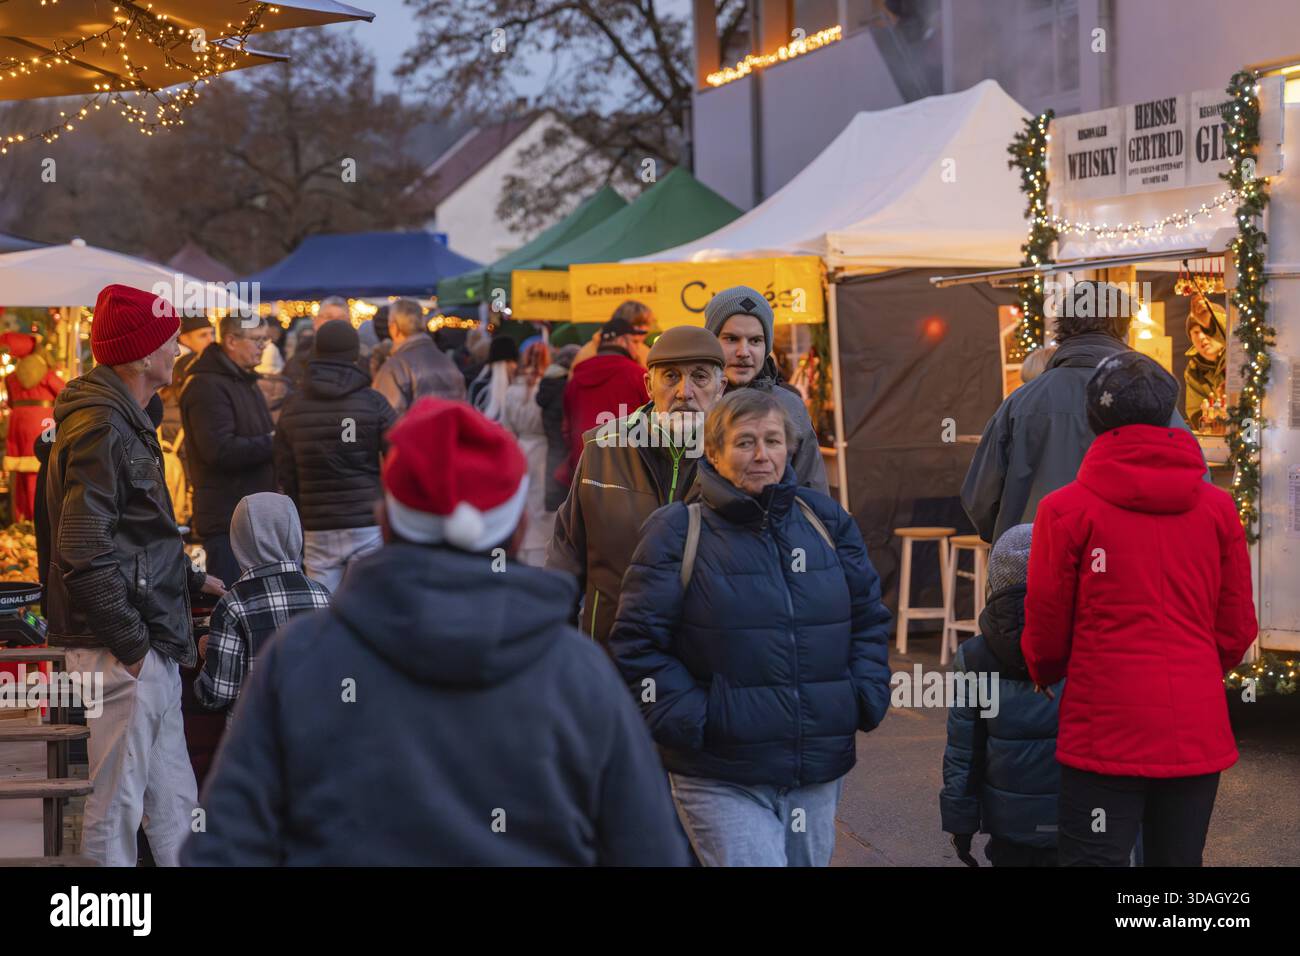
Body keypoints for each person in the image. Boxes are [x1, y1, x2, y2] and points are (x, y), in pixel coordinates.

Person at [183, 399, 691, 866]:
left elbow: (224, 849)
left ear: (385, 523)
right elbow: (650, 850)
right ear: (516, 532)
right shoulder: (579, 675)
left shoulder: (301, 659)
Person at [608, 389, 892, 866]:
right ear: (714, 453)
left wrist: (860, 696)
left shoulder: (824, 521)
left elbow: (867, 619)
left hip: (815, 767)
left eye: (773, 440)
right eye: (744, 442)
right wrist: (701, 720)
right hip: (720, 773)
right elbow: (636, 647)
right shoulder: (676, 530)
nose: (762, 454)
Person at [1022, 352, 1257, 867]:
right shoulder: (1218, 507)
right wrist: (1196, 666)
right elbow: (1237, 625)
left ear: (1095, 417)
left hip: (1103, 720)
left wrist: (1046, 669)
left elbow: (1046, 623)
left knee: (1093, 856)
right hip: (1194, 722)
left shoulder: (1064, 510)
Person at [46, 284, 225, 867]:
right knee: (116, 803)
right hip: (119, 647)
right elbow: (84, 547)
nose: (177, 347)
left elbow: (133, 535)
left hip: (144, 642)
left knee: (171, 798)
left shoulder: (122, 417)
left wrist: (192, 584)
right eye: (169, 339)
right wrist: (131, 647)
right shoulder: (103, 425)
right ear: (141, 355)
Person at [962, 280, 1200, 544]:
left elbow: (980, 497)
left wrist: (1010, 536)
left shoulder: (1021, 402)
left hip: (1032, 560)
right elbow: (1194, 479)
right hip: (1125, 559)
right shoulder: (1147, 397)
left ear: (1063, 328)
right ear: (1124, 329)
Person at [548, 325, 726, 645]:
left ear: (721, 387)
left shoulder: (739, 460)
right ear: (648, 385)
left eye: (700, 376)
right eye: (670, 376)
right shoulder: (604, 448)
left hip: (701, 660)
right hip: (610, 654)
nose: (685, 392)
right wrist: (555, 642)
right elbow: (566, 553)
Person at [940, 523, 1061, 868]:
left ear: (994, 581)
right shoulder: (1084, 640)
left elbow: (963, 750)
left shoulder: (976, 655)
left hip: (1009, 826)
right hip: (1079, 819)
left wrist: (960, 822)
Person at [273, 320, 397, 591]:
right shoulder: (373, 402)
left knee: (321, 606)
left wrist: (300, 509)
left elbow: (285, 469)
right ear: (355, 354)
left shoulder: (293, 407)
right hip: (367, 520)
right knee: (368, 603)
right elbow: (399, 457)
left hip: (318, 525)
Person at [194, 493, 330, 727]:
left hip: (255, 744)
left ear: (238, 540)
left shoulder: (233, 606)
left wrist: (208, 653)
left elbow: (215, 694)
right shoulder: (323, 596)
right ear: (294, 534)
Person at [180, 314, 277, 585]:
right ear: (232, 341)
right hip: (227, 520)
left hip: (253, 517)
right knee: (236, 603)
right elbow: (218, 450)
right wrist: (275, 441)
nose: (263, 346)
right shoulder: (206, 385)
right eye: (257, 340)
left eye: (265, 339)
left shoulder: (243, 379)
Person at [704, 286, 829, 495]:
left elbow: (813, 491)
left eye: (755, 340)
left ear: (766, 347)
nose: (744, 352)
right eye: (731, 339)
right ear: (711, 342)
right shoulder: (691, 402)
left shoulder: (790, 407)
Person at [561, 316, 650, 481]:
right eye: (635, 342)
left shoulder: (575, 378)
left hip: (583, 464)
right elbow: (652, 421)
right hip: (626, 468)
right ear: (622, 340)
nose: (638, 349)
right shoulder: (638, 375)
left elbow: (566, 428)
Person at [1, 331, 63, 520]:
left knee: (19, 475)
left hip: (17, 423)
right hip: (44, 423)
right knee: (42, 470)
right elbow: (64, 392)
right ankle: (40, 518)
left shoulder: (11, 378)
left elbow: (10, 402)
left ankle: (20, 517)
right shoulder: (48, 375)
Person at [501, 341, 553, 566]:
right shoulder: (549, 389)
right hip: (544, 451)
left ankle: (521, 551)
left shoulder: (511, 391)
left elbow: (506, 427)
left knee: (522, 502)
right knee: (541, 505)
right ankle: (540, 555)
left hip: (520, 449)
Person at [372, 298, 468, 413]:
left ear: (394, 328)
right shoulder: (448, 362)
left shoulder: (393, 368)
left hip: (414, 430)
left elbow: (387, 418)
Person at [536, 343, 580, 512]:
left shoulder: (547, 380)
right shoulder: (566, 384)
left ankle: (552, 505)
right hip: (565, 441)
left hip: (550, 439)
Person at [1184, 292, 1228, 429]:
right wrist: (1209, 426)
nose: (1202, 337)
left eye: (1206, 330)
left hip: (1249, 430)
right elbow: (1195, 410)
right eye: (1196, 332)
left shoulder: (1240, 356)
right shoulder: (1193, 370)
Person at [571, 300, 654, 369]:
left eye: (647, 324)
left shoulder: (645, 352)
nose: (644, 329)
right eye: (638, 323)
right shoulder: (587, 354)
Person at [469, 334, 519, 420]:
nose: (515, 366)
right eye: (512, 362)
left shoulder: (477, 385)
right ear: (507, 363)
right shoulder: (481, 387)